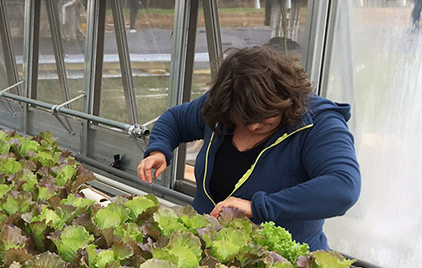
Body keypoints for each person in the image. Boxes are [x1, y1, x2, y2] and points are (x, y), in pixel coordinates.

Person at [137, 45, 361, 252]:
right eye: (244, 119)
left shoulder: (318, 123)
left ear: (285, 99)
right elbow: (175, 119)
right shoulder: (228, 102)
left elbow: (343, 187)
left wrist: (257, 206)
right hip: (210, 251)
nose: (253, 126)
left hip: (282, 264)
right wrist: (159, 150)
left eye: (265, 118)